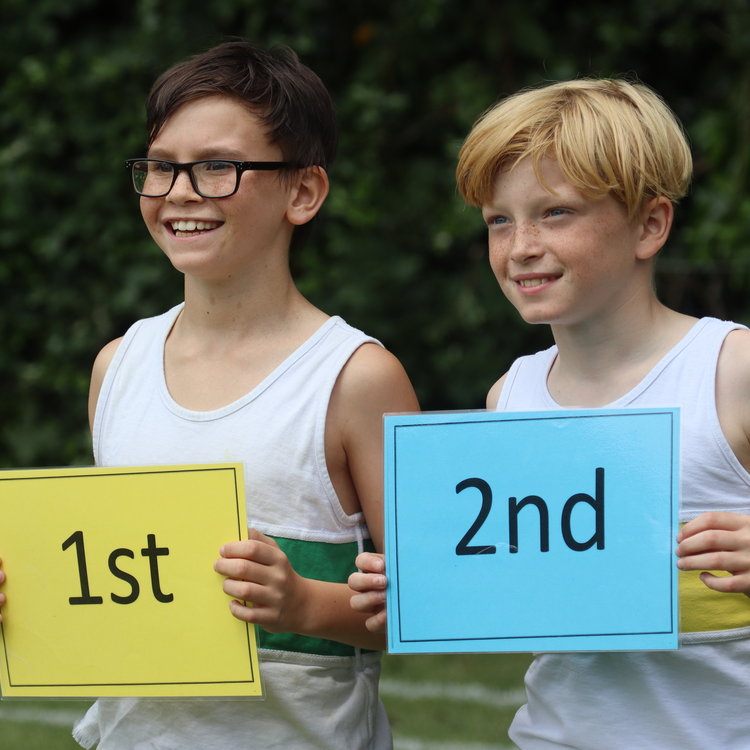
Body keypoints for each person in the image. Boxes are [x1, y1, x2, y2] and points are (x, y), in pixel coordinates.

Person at [350, 78, 750, 749]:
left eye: (555, 213)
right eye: (499, 220)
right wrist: (426, 584)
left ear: (650, 224)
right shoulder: (512, 395)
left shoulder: (731, 371)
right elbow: (528, 590)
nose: (520, 246)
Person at [65, 39, 418, 750]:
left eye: (218, 167)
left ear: (304, 191)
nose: (179, 192)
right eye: (161, 167)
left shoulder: (356, 378)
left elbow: (436, 601)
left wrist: (305, 603)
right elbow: (115, 587)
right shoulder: (116, 367)